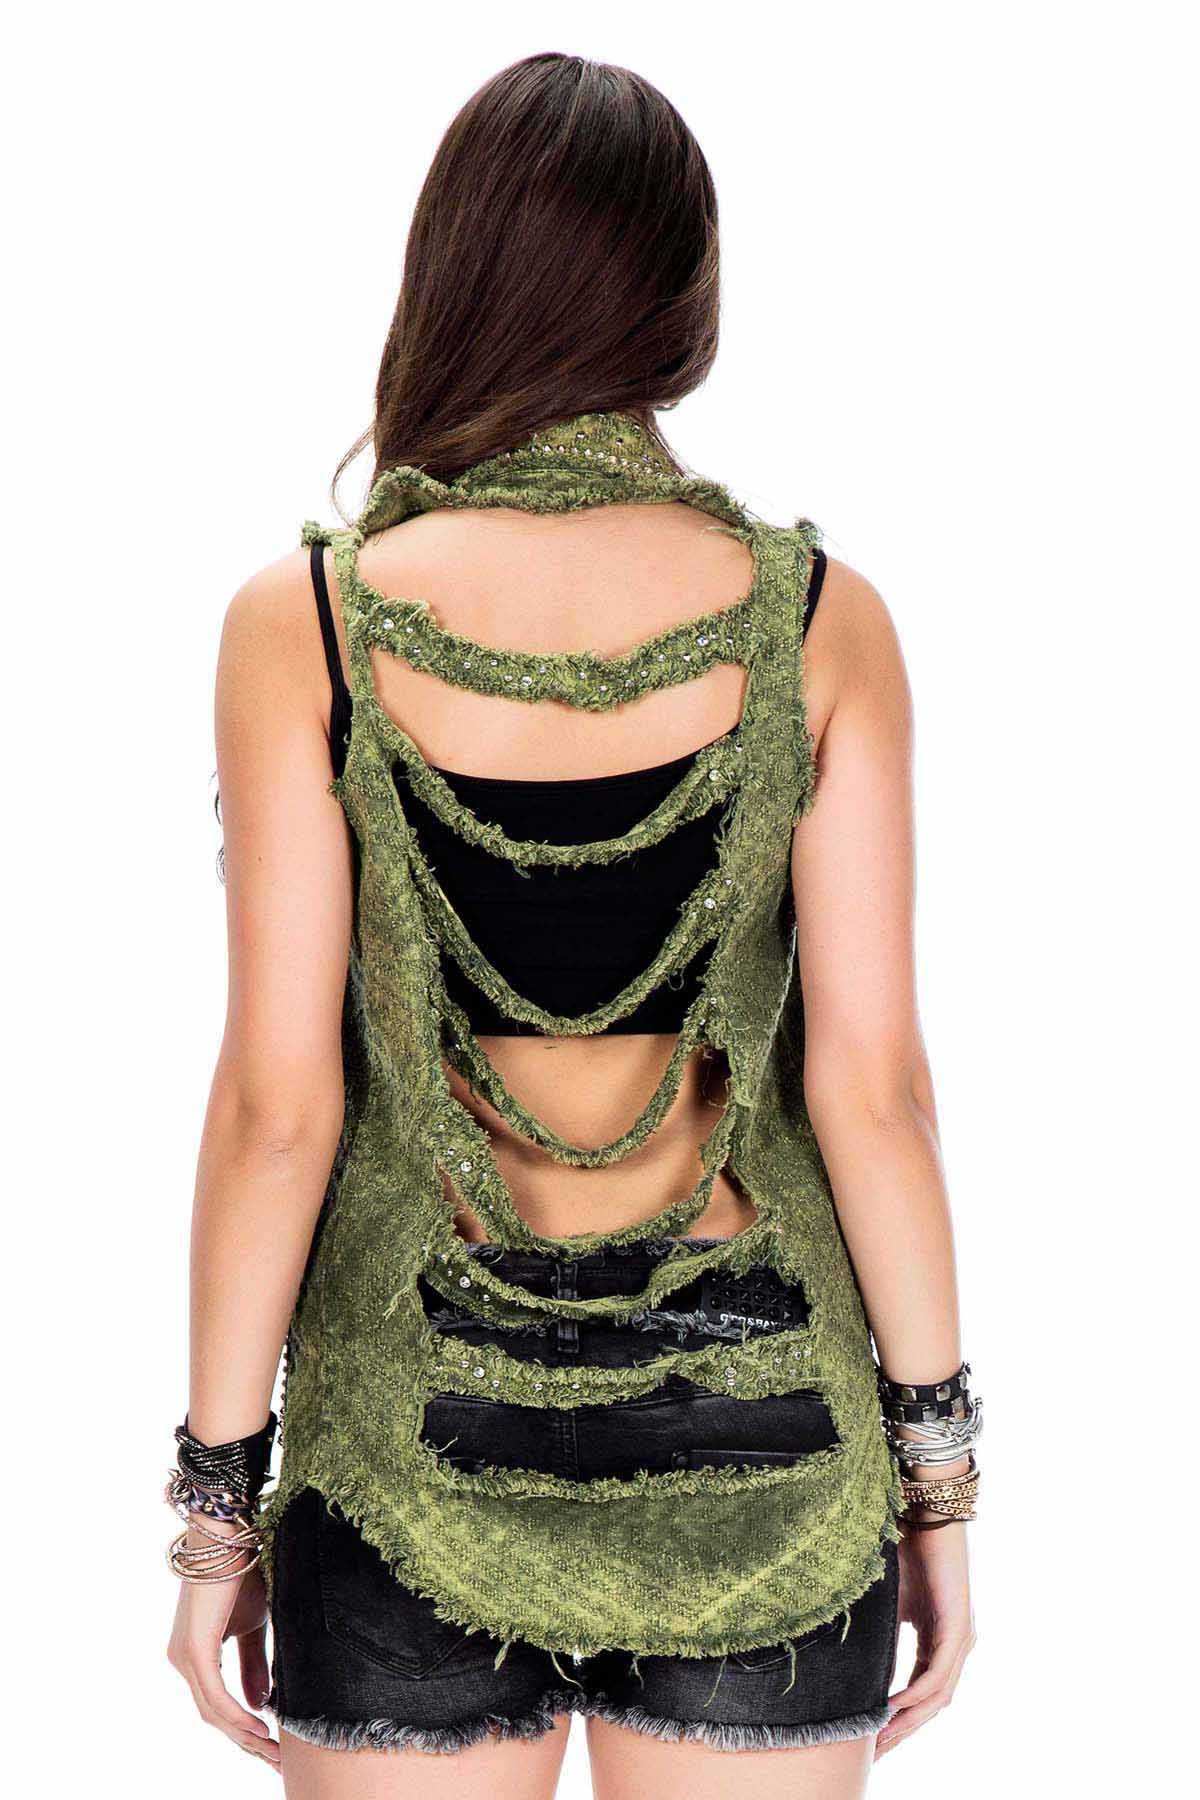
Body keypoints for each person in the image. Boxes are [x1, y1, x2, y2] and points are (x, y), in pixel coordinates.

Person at [166, 51, 978, 1800]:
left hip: (413, 1429)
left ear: (446, 279)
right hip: (763, 1429)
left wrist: (216, 1510)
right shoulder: (816, 621)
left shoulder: (305, 623)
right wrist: (941, 1487)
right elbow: (876, 1094)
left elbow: (277, 1111)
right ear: (684, 302)